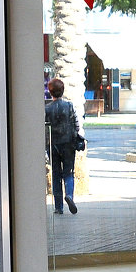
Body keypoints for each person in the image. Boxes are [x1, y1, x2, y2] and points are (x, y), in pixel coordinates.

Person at [44, 77, 82, 214]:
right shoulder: (69, 106)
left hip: (53, 145)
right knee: (68, 172)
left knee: (56, 174)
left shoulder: (47, 109)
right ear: (63, 90)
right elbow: (76, 124)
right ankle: (70, 195)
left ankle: (58, 207)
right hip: (68, 144)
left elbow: (44, 128)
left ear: (50, 92)